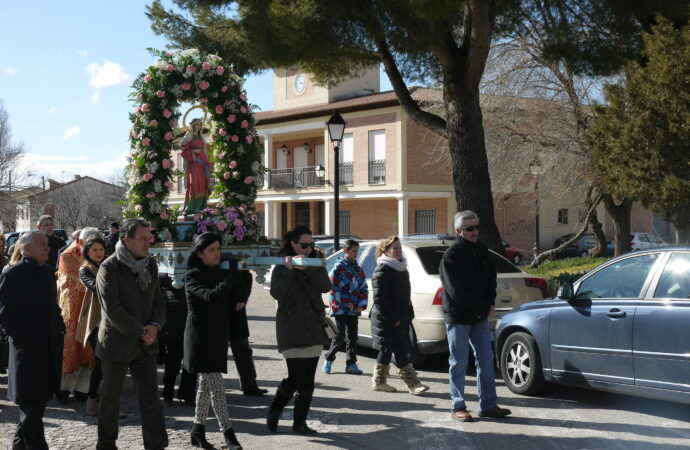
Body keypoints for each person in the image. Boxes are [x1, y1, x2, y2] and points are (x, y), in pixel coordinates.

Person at [95, 218, 167, 450]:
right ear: (127, 240)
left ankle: (156, 445)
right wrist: (140, 331)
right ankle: (106, 445)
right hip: (116, 343)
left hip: (146, 343)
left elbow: (159, 301)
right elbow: (112, 310)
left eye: (149, 238)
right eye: (143, 238)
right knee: (110, 401)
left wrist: (155, 326)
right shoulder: (109, 267)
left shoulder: (151, 264)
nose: (148, 243)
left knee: (151, 400)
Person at [439, 210, 511, 422]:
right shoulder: (451, 256)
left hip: (479, 317)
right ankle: (458, 406)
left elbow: (491, 279)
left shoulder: (481, 250)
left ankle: (488, 405)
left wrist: (490, 303)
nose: (475, 231)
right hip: (459, 318)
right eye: (470, 228)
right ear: (459, 230)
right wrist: (481, 308)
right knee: (459, 363)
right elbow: (456, 291)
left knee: (486, 360)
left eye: (476, 227)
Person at [0, 231, 65, 449]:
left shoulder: (47, 271)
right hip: (26, 352)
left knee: (35, 407)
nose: (48, 248)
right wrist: (25, 340)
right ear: (26, 248)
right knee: (30, 409)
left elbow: (52, 306)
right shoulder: (14, 274)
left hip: (45, 350)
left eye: (47, 244)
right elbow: (5, 315)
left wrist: (59, 327)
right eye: (42, 245)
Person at [267, 226, 331, 436]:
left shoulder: (315, 262)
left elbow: (325, 286)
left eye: (311, 244)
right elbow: (277, 293)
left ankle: (300, 422)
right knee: (295, 378)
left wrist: (308, 270)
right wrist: (289, 272)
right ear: (293, 244)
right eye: (304, 245)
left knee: (308, 381)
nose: (308, 248)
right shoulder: (282, 265)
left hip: (313, 327)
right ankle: (276, 408)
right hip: (291, 328)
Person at [183, 232, 244, 450]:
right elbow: (211, 296)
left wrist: (236, 275)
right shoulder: (192, 275)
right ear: (200, 254)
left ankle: (197, 431)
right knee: (216, 385)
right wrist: (231, 277)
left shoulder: (221, 272)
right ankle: (228, 434)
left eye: (218, 249)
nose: (217, 253)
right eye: (211, 250)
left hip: (217, 335)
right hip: (200, 338)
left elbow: (236, 293)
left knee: (205, 386)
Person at [370, 236, 429, 395]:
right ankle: (413, 384)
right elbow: (379, 300)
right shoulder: (382, 270)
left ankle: (379, 382)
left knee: (386, 349)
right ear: (386, 251)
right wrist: (392, 319)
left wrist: (408, 313)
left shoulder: (401, 268)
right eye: (394, 248)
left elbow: (404, 295)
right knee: (400, 351)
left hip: (400, 316)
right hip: (387, 319)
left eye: (399, 247)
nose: (398, 250)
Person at [57, 227, 101, 403]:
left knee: (90, 349)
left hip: (91, 310)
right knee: (71, 348)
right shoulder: (67, 256)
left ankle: (84, 390)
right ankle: (63, 390)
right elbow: (72, 283)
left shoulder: (98, 256)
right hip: (72, 310)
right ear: (81, 243)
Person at [322, 239, 367, 375]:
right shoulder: (339, 266)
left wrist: (361, 304)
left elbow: (363, 287)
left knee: (353, 337)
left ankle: (351, 364)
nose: (356, 254)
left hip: (353, 308)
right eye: (353, 251)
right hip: (340, 307)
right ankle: (329, 359)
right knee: (340, 336)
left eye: (357, 251)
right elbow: (333, 287)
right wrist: (345, 301)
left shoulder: (358, 269)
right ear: (346, 251)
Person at [75, 234, 107, 416]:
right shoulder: (85, 269)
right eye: (94, 249)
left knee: (113, 364)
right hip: (97, 321)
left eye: (101, 249)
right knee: (100, 361)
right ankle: (91, 398)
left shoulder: (110, 265)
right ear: (87, 251)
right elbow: (97, 287)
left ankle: (109, 402)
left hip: (114, 320)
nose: (98, 253)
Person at [228, 266, 269, 397]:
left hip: (237, 313)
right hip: (219, 311)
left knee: (243, 351)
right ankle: (213, 387)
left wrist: (243, 299)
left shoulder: (242, 269)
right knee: (215, 352)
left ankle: (250, 385)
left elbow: (247, 277)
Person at [159, 273, 196, 407]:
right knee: (173, 364)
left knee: (189, 364)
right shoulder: (164, 276)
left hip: (188, 323)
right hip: (173, 324)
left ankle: (186, 395)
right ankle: (169, 394)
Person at [181, 118, 213, 216]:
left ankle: (201, 209)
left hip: (203, 166)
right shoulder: (189, 138)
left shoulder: (201, 138)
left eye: (200, 125)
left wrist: (208, 163)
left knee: (203, 186)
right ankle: (191, 210)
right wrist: (193, 152)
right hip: (194, 165)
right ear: (193, 125)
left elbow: (204, 152)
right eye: (197, 124)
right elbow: (183, 151)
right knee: (194, 185)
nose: (199, 127)